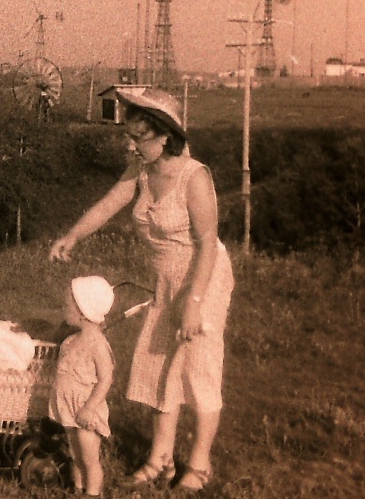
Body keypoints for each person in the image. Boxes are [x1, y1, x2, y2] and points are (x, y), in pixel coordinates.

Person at [48, 87, 233, 493]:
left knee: (199, 368)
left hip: (204, 279)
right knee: (160, 366)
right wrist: (72, 236)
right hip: (165, 279)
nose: (130, 146)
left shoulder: (194, 177)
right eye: (127, 137)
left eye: (138, 138)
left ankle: (200, 464)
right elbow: (107, 204)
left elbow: (206, 245)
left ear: (165, 136)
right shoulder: (141, 170)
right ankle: (159, 458)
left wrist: (194, 305)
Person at [49, 276, 116, 498]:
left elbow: (106, 379)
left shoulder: (97, 345)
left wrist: (89, 408)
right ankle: (78, 489)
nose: (63, 308)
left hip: (85, 408)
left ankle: (93, 493)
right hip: (69, 407)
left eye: (67, 305)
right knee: (75, 455)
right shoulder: (71, 340)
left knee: (89, 458)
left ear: (82, 311)